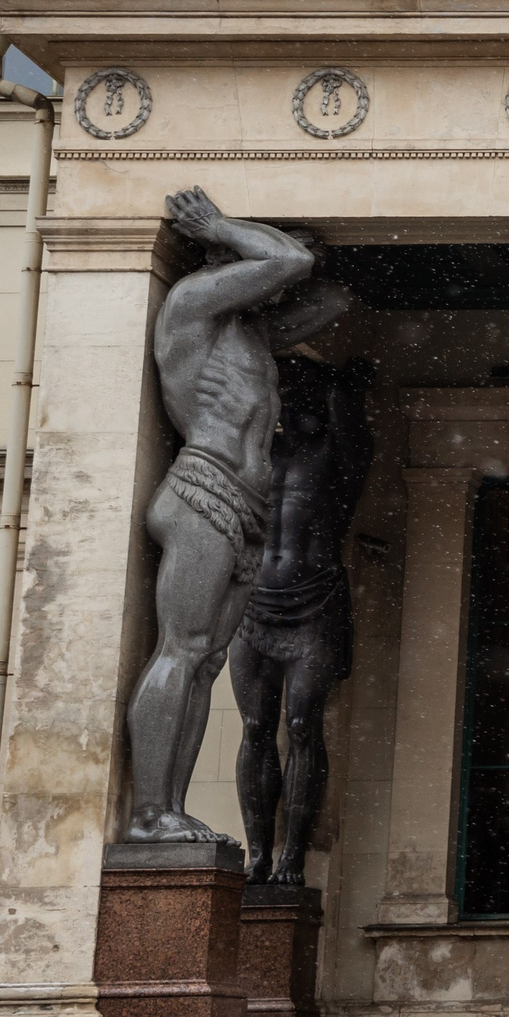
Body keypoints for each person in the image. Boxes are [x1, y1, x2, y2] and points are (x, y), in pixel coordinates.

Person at [122, 191, 342, 845]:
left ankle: (170, 811)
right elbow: (287, 258)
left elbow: (333, 300)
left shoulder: (247, 332)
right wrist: (223, 228)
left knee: (206, 659)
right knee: (182, 650)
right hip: (203, 493)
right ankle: (148, 812)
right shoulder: (191, 304)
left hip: (243, 503)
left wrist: (288, 261)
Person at [231, 350, 375, 888]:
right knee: (254, 727)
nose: (292, 403)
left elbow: (351, 425)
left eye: (301, 392)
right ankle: (257, 853)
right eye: (285, 392)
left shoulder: (339, 455)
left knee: (301, 726)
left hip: (314, 605)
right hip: (254, 606)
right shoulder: (255, 455)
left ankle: (293, 852)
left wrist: (342, 386)